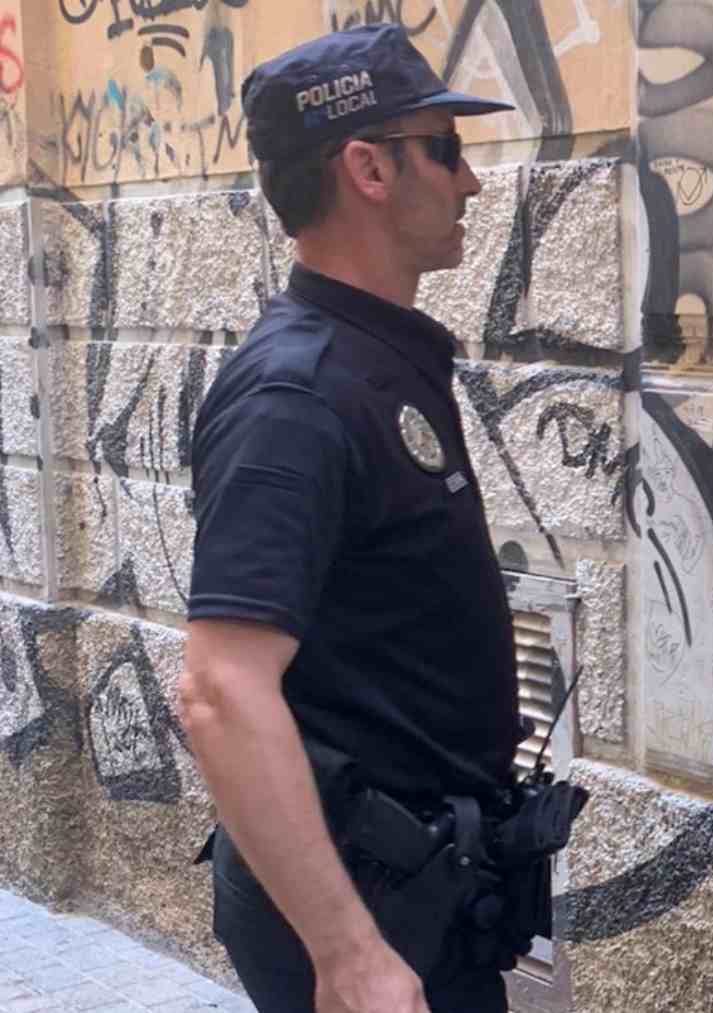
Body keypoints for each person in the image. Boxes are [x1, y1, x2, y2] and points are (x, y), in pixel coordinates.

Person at [177, 26, 533, 1013]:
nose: (469, 184)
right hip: (368, 917)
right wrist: (350, 953)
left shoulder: (375, 357)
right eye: (447, 150)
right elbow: (219, 689)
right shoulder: (298, 394)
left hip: (424, 889)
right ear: (369, 167)